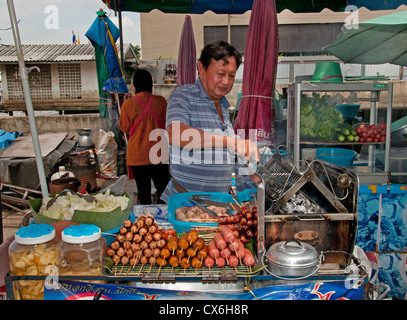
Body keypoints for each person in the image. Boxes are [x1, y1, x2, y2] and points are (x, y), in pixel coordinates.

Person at [161, 41, 260, 203]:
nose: (226, 82)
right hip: (187, 203)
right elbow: (176, 133)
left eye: (232, 75)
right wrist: (231, 142)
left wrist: (252, 175)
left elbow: (226, 155)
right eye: (221, 74)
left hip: (218, 204)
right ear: (201, 68)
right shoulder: (182, 96)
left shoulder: (222, 104)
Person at [119, 69, 170, 204]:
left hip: (138, 157)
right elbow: (167, 125)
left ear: (135, 85)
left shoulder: (128, 105)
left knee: (143, 192)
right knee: (164, 191)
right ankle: (164, 220)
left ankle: (145, 220)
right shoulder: (161, 102)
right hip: (159, 155)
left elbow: (124, 128)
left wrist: (126, 104)